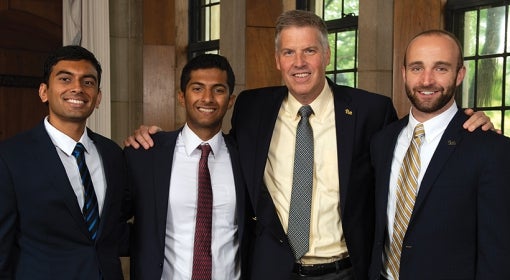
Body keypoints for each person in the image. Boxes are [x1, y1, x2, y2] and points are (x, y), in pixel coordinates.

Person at [124, 11, 494, 280]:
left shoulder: (370, 111)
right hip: (271, 268)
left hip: (344, 270)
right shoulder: (253, 108)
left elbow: (419, 142)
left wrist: (467, 122)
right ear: (277, 60)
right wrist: (157, 140)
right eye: (288, 53)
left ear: (327, 55)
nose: (299, 63)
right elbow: (213, 145)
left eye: (309, 52)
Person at [368, 30, 510, 280]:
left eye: (441, 68)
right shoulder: (382, 141)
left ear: (460, 75)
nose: (426, 80)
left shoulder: (492, 149)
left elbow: (498, 252)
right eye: (416, 68)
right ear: (404, 73)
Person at [0, 45, 128, 279]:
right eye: (65, 79)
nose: (77, 88)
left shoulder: (112, 154)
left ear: (98, 97)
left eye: (88, 82)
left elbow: (114, 229)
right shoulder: (9, 157)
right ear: (44, 92)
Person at [123, 54, 252, 280]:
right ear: (182, 97)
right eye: (197, 88)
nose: (208, 98)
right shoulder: (146, 154)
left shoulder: (246, 156)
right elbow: (116, 222)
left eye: (218, 90)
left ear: (230, 100)